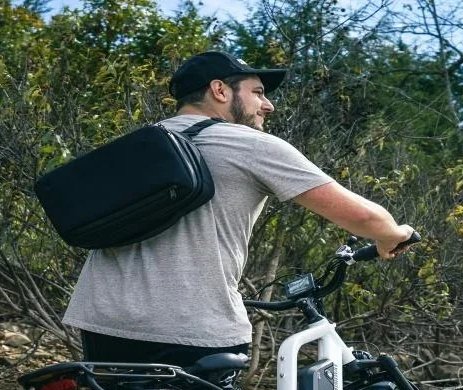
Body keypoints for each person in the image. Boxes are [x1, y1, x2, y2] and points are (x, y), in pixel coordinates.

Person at [62, 50, 415, 368]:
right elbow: (365, 218)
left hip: (102, 323)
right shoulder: (250, 144)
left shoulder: (134, 146)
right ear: (220, 90)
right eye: (258, 93)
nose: (268, 105)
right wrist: (392, 235)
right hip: (191, 328)